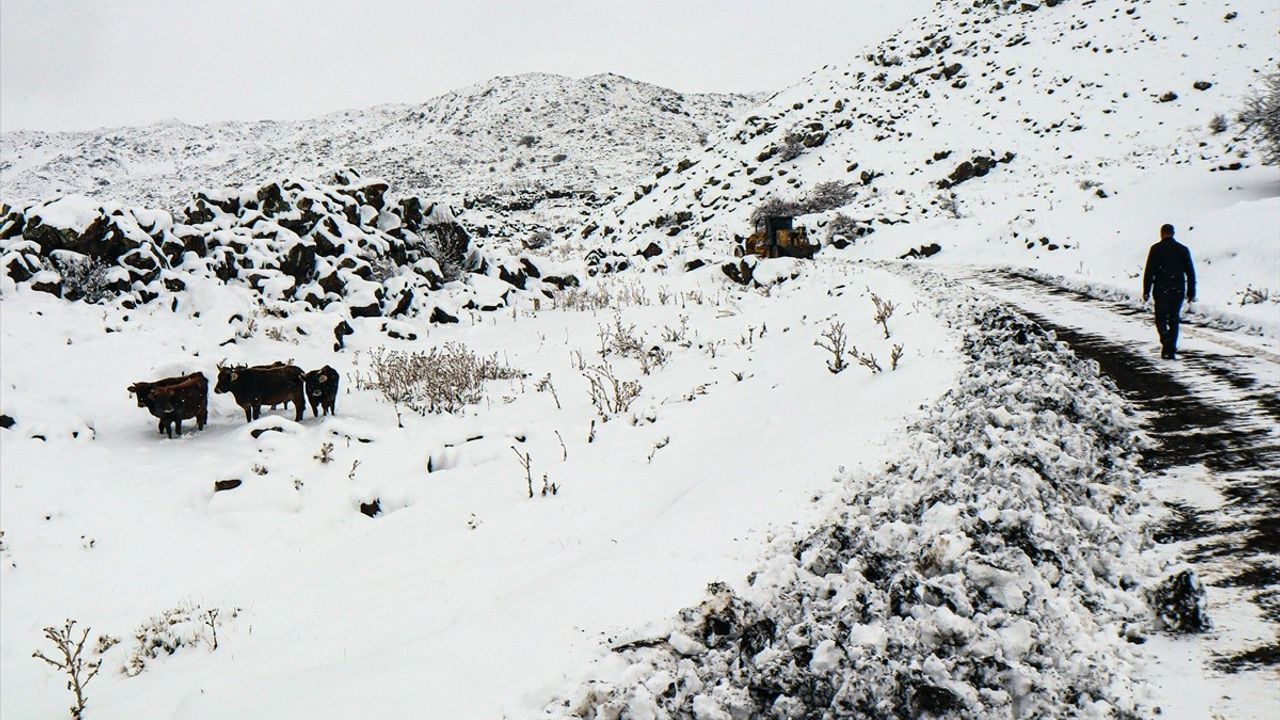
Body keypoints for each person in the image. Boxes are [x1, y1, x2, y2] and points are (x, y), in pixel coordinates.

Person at [1142, 223, 1197, 359]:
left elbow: (1149, 271)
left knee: (1160, 317)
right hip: (1177, 289)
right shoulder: (1183, 249)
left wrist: (1146, 290)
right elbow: (1190, 272)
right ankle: (1170, 349)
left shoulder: (1156, 249)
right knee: (1174, 318)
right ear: (1173, 233)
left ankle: (1165, 338)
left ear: (1161, 233)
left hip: (1161, 289)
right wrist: (1191, 291)